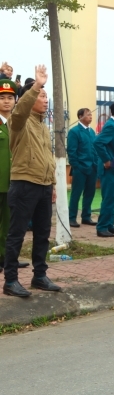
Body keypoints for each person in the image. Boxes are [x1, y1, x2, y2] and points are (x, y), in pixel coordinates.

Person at [3, 65, 61, 297]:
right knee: (16, 234)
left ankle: (39, 276)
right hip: (24, 184)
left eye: (46, 96)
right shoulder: (18, 122)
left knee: (42, 233)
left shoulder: (42, 127)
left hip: (44, 185)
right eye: (41, 96)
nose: (45, 100)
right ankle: (10, 280)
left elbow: (48, 158)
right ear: (30, 98)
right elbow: (20, 110)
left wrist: (54, 185)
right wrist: (36, 85)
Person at [94, 102, 114, 238]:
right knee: (108, 198)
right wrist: (106, 160)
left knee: (112, 198)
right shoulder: (111, 125)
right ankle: (102, 226)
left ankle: (109, 224)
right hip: (109, 168)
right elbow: (98, 142)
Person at [67, 108, 99, 228]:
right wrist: (77, 166)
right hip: (80, 168)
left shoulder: (91, 132)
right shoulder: (74, 131)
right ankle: (71, 218)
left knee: (90, 193)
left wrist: (95, 164)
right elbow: (71, 151)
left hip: (92, 168)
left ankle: (86, 217)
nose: (91, 116)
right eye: (88, 114)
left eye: (91, 114)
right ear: (80, 116)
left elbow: (94, 149)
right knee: (76, 194)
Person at [0, 79, 16, 273]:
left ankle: (7, 257)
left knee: (11, 224)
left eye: (10, 97)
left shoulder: (18, 123)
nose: (6, 101)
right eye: (2, 97)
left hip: (14, 183)